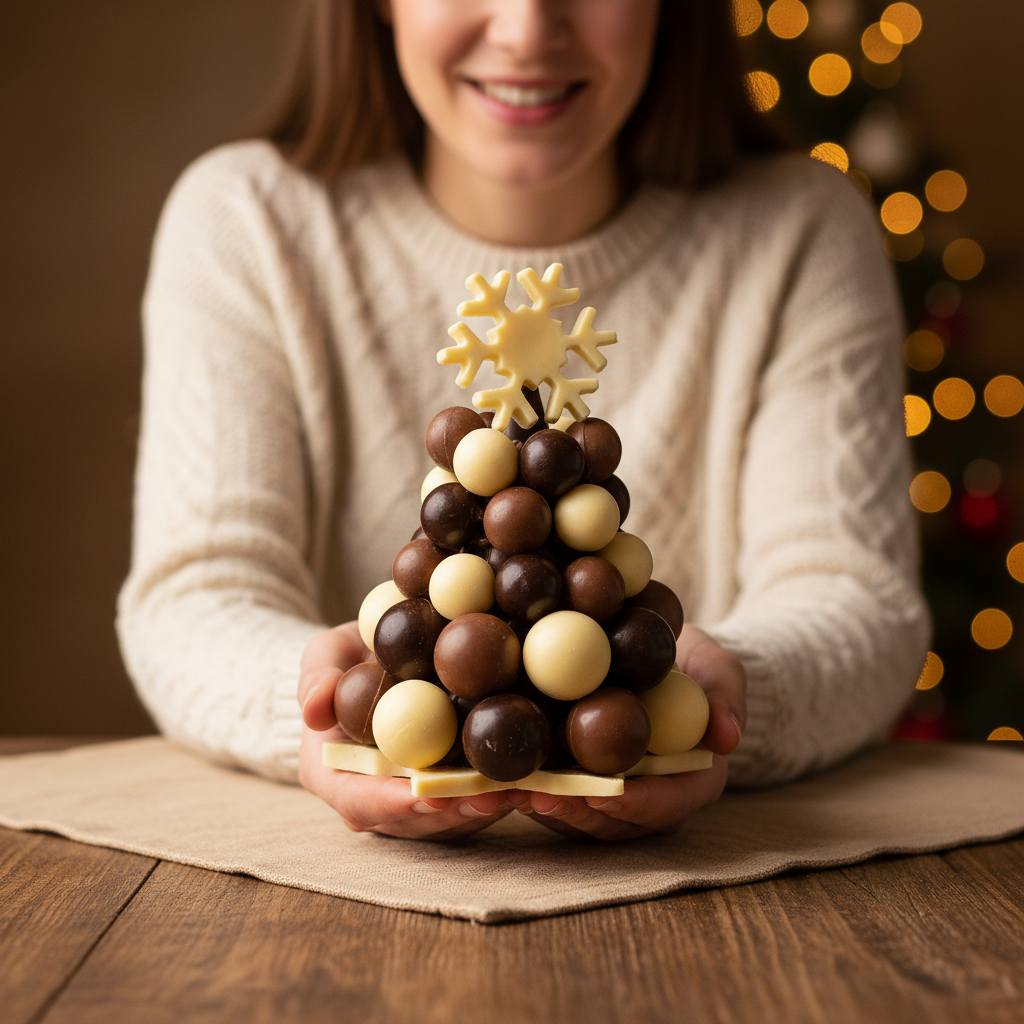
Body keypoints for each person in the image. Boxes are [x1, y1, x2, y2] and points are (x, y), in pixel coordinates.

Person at [118, 0, 931, 842]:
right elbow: (197, 599)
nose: (527, 29)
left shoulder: (800, 231)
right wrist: (331, 712)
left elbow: (858, 603)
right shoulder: (247, 221)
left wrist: (717, 694)